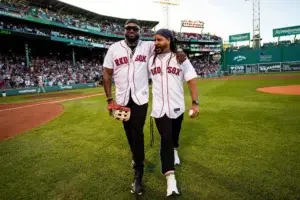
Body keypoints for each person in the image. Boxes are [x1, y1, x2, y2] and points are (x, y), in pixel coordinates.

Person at [103, 19, 187, 196]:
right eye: (129, 28)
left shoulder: (148, 46)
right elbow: (107, 73)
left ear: (139, 31)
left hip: (140, 97)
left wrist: (178, 51)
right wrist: (110, 99)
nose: (132, 30)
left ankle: (138, 173)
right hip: (122, 98)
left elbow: (166, 43)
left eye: (135, 28)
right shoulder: (114, 48)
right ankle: (136, 158)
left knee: (137, 131)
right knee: (128, 132)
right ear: (124, 30)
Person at [148, 29, 199, 197]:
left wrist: (195, 103)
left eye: (160, 40)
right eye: (155, 40)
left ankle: (175, 149)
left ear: (169, 40)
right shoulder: (151, 61)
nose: (156, 43)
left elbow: (191, 80)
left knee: (174, 137)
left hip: (177, 107)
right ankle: (170, 178)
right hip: (159, 109)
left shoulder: (180, 58)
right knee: (166, 139)